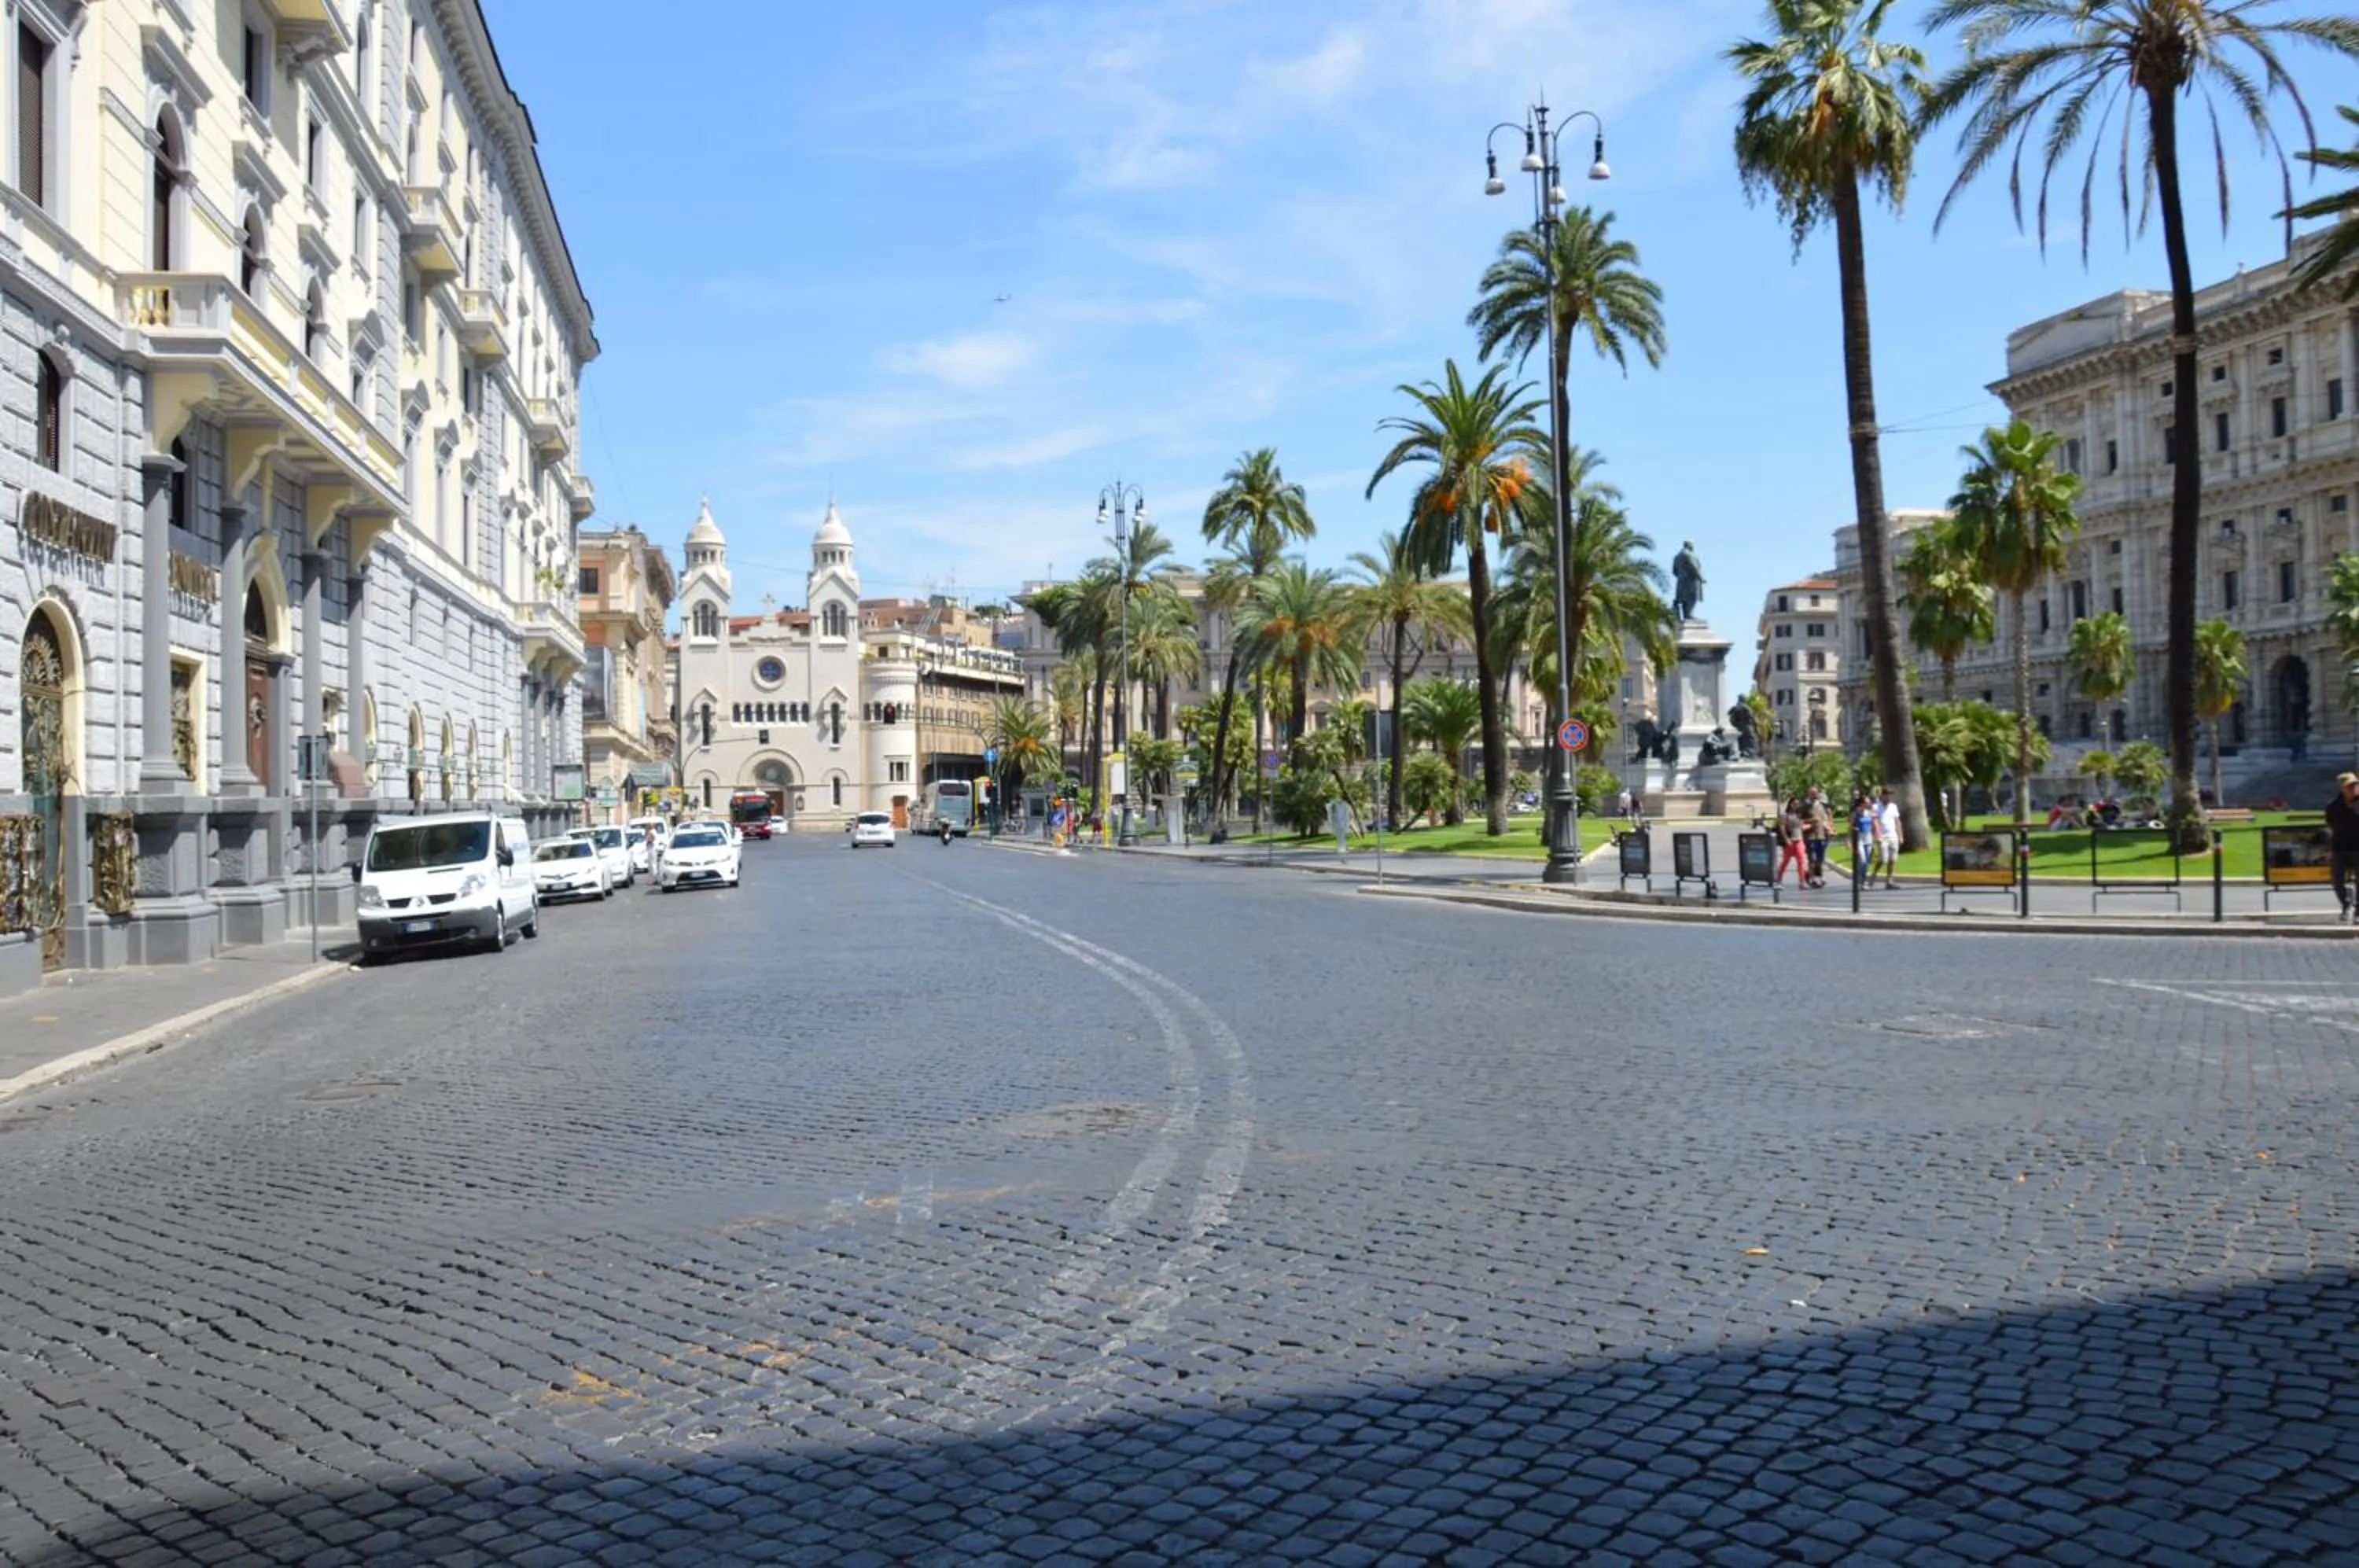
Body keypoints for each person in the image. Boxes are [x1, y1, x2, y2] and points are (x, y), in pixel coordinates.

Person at [2328, 772, 2359, 925]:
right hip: (2339, 848)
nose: (2354, 789)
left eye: (2355, 786)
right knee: (2337, 881)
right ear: (2342, 788)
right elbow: (2331, 824)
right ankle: (2347, 904)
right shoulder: (2333, 807)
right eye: (2350, 787)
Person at [1776, 797, 1810, 887]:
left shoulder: (1799, 815)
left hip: (1799, 840)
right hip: (1790, 841)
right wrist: (1786, 839)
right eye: (1794, 804)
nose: (1796, 805)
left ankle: (1802, 881)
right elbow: (1782, 827)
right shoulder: (1785, 815)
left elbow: (1801, 827)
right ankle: (1778, 880)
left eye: (1798, 804)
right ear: (1790, 804)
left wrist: (1812, 825)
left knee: (1801, 861)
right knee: (1785, 861)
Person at [1872, 788, 1903, 889]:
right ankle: (1873, 875)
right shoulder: (1876, 807)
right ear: (1883, 795)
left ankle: (1889, 881)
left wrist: (1900, 835)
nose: (1889, 797)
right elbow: (1875, 821)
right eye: (1888, 795)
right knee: (1883, 859)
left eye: (1891, 795)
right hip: (1883, 837)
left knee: (1893, 859)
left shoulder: (1893, 807)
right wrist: (1877, 834)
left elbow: (1897, 821)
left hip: (1893, 835)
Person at [1805, 790, 1834, 888]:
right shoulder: (1805, 807)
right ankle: (1813, 878)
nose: (1814, 795)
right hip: (1810, 837)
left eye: (1815, 793)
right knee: (1812, 859)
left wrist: (1830, 829)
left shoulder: (1823, 806)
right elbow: (1799, 820)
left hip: (1822, 836)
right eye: (1812, 794)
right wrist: (1810, 821)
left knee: (1820, 859)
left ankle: (1820, 876)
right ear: (1809, 795)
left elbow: (1828, 819)